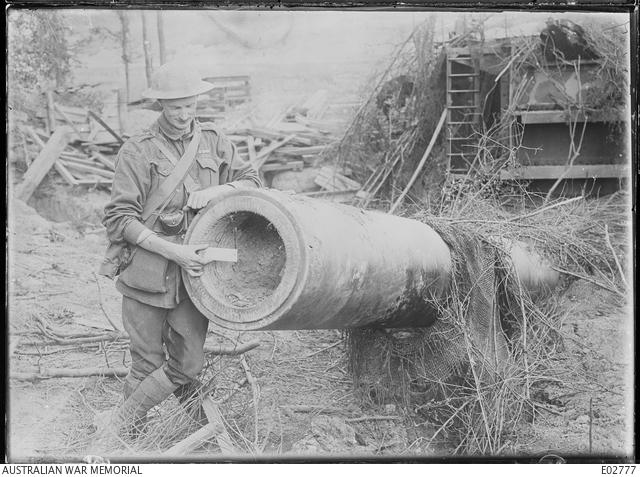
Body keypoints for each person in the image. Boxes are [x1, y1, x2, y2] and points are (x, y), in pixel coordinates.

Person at [99, 62, 261, 435]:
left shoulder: (216, 142)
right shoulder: (137, 151)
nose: (185, 115)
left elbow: (251, 181)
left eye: (190, 106)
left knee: (188, 364)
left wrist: (218, 190)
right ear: (161, 106)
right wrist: (174, 253)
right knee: (145, 363)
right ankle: (124, 436)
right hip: (147, 276)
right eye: (176, 108)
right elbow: (120, 218)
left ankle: (185, 424)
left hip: (194, 279)